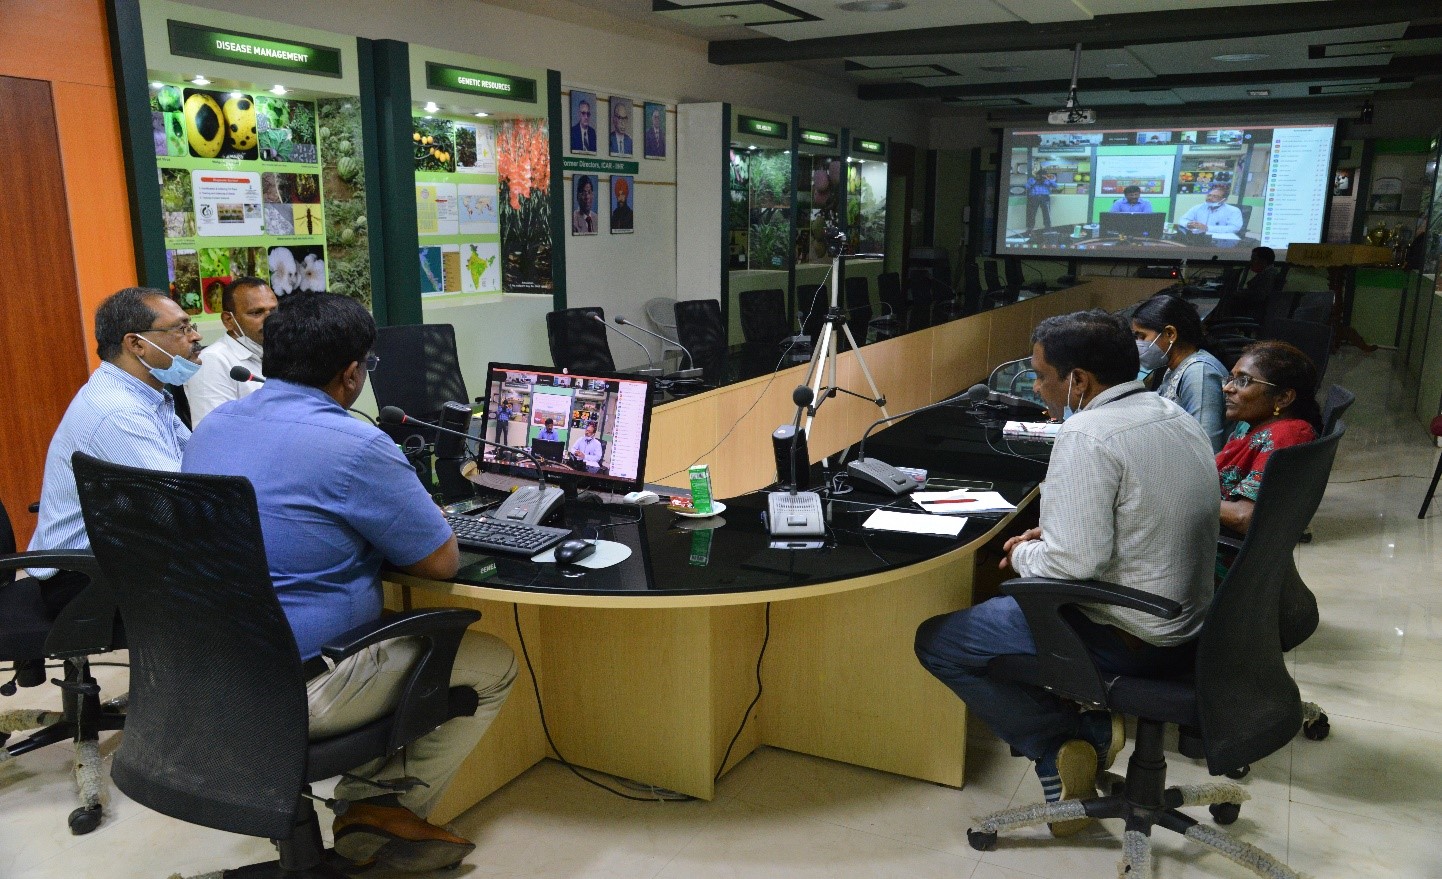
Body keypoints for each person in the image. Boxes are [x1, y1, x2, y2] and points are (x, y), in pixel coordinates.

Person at [183, 292, 516, 872]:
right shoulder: (356, 444)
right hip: (304, 683)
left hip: (203, 670)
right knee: (491, 664)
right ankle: (374, 807)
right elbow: (439, 562)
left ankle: (368, 808)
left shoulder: (215, 426)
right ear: (353, 372)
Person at [915, 309, 1218, 836]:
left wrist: (1023, 553)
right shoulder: (1172, 413)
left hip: (1131, 631)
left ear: (1078, 380)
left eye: (1041, 375)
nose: (1036, 387)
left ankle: (1063, 743)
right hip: (1190, 619)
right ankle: (1091, 728)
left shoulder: (1087, 433)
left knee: (939, 641)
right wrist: (1052, 538)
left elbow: (1072, 565)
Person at [28, 287, 201, 611]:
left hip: (119, 551)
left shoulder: (148, 395)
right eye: (182, 328)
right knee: (235, 582)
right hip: (79, 576)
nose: (195, 336)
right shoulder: (118, 411)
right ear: (136, 344)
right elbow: (181, 503)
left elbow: (196, 463)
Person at [1217, 340, 1321, 534]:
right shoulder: (1249, 425)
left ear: (1283, 398)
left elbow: (1244, 517)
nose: (1228, 388)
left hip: (1218, 553)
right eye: (1231, 378)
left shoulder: (1286, 437)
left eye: (1243, 381)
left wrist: (1184, 500)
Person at [1131, 293, 1228, 452]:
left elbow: (1207, 447)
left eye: (1141, 336)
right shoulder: (1174, 367)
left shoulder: (1199, 374)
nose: (1137, 344)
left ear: (1170, 334)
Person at [186, 276, 278, 425]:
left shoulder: (281, 350)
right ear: (228, 320)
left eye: (273, 310)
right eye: (257, 313)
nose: (270, 320)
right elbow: (213, 432)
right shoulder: (212, 361)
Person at [1231, 246, 1283, 324]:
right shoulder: (1269, 273)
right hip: (1253, 312)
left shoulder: (1269, 276)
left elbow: (1260, 296)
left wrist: (1238, 293)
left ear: (1263, 261)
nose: (1251, 261)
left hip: (1253, 314)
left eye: (1254, 259)